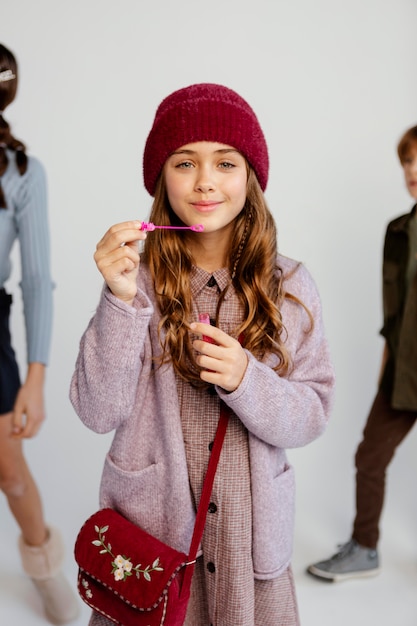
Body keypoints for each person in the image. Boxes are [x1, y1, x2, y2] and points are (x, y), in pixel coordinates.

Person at [70, 82, 335, 626]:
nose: (206, 182)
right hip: (153, 549)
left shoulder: (290, 285)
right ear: (162, 179)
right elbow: (97, 413)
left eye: (226, 163)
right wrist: (120, 302)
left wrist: (248, 380)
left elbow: (312, 415)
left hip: (250, 548)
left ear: (251, 178)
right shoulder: (134, 281)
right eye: (185, 163)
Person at [307, 124, 417, 583]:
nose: (411, 171)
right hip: (404, 369)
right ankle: (365, 547)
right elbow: (396, 311)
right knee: (370, 456)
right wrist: (388, 362)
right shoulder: (398, 230)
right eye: (407, 162)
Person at [0, 44, 79, 623]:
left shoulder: (20, 171)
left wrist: (36, 379)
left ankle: (45, 567)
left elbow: (35, 279)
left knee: (8, 468)